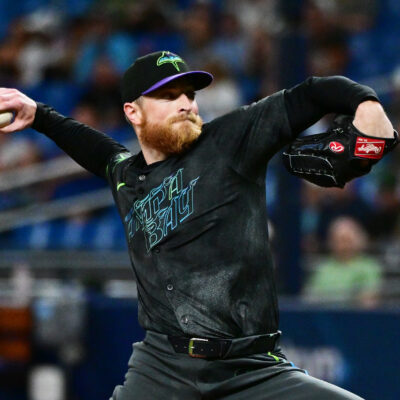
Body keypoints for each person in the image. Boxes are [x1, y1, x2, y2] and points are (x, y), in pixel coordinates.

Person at [0, 50, 395, 399]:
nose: (185, 104)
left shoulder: (230, 141)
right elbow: (96, 150)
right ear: (132, 112)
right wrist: (39, 115)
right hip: (161, 370)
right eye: (168, 96)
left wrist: (366, 103)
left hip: (252, 369)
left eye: (189, 94)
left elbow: (308, 94)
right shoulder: (126, 177)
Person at [303, 216, 383, 307]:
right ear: (331, 243)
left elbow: (369, 300)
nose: (343, 245)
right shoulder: (322, 267)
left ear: (359, 241)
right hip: (323, 317)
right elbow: (310, 298)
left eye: (347, 240)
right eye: (338, 240)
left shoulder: (369, 267)